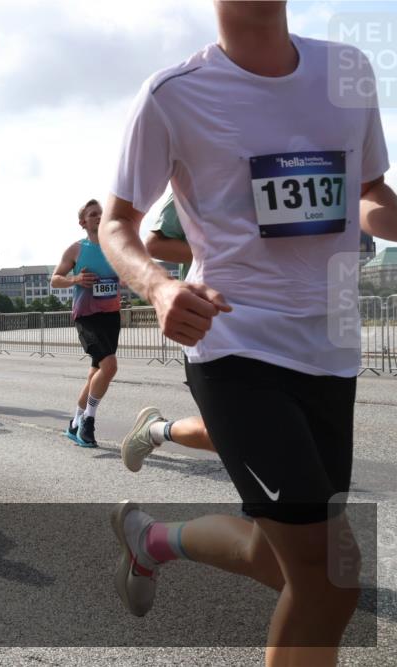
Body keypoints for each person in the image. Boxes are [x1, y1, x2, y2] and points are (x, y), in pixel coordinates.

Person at [99, 3, 394, 664]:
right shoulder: (173, 95)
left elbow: (370, 189)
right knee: (327, 583)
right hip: (237, 346)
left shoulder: (348, 70)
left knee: (277, 557)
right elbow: (118, 224)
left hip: (332, 354)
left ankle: (153, 540)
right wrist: (159, 286)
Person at [121, 197, 215, 472]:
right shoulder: (198, 169)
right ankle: (156, 430)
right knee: (239, 436)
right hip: (215, 322)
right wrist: (227, 253)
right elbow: (154, 243)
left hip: (293, 322)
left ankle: (155, 431)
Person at [51, 199, 122, 447]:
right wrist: (77, 279)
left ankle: (74, 423)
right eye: (93, 215)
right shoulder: (76, 250)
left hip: (111, 315)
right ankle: (88, 423)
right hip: (86, 316)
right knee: (110, 367)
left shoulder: (114, 247)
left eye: (101, 213)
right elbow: (55, 280)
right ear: (83, 222)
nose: (98, 217)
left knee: (95, 373)